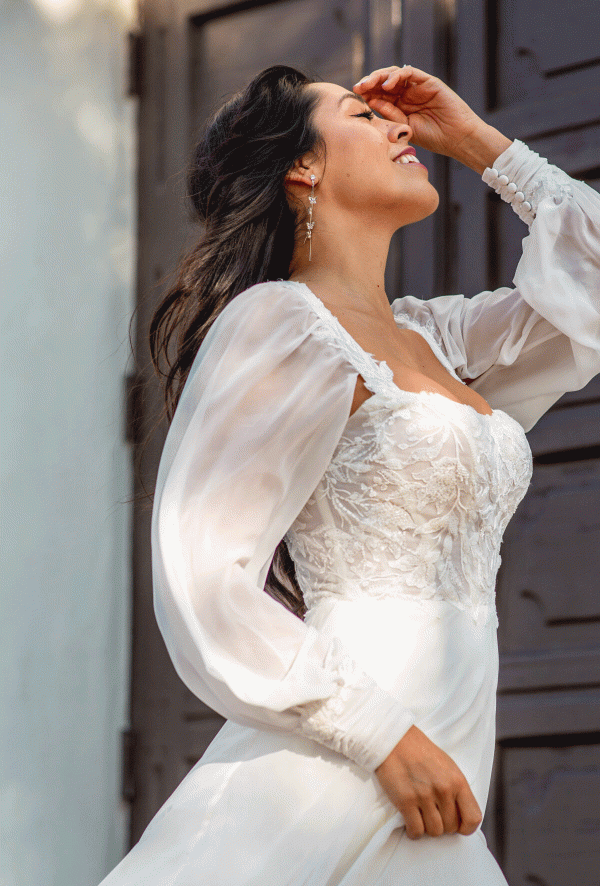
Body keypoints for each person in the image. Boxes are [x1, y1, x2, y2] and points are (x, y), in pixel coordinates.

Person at [99, 64, 600, 885]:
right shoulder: (279, 322)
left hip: (443, 745)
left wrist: (477, 141)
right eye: (365, 115)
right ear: (304, 167)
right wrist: (381, 736)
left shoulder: (439, 339)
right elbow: (204, 572)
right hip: (357, 748)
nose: (400, 126)